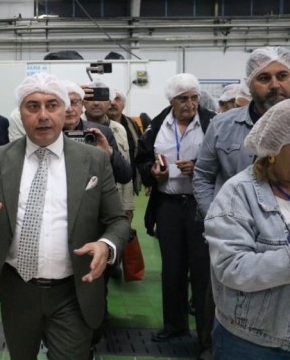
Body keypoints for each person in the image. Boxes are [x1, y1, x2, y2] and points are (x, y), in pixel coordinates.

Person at [0, 72, 131, 359]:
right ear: (21, 113)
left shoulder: (93, 159)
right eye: (33, 106)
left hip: (74, 288)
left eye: (52, 105)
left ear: (65, 110)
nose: (43, 115)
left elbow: (117, 220)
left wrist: (107, 245)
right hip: (17, 289)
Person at [192, 47, 290, 359]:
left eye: (283, 75)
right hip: (233, 231)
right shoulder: (223, 125)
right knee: (217, 297)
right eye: (264, 77)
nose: (275, 84)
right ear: (250, 84)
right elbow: (203, 175)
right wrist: (217, 217)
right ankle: (207, 345)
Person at [135, 73, 216, 357]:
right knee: (172, 268)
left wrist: (198, 167)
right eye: (183, 98)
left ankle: (206, 336)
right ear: (171, 100)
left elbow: (224, 161)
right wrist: (151, 172)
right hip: (168, 205)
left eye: (194, 98)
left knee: (203, 271)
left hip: (200, 207)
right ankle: (175, 325)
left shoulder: (213, 123)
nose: (190, 104)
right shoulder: (158, 125)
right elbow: (141, 160)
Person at [82, 81, 134, 210]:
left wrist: (127, 205)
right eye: (91, 98)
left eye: (101, 98)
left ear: (109, 102)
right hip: (81, 198)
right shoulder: (71, 126)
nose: (96, 103)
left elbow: (125, 164)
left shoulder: (119, 129)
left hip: (111, 198)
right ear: (83, 102)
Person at [108, 89, 144, 195]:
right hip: (107, 182)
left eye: (117, 99)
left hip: (128, 182)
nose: (113, 103)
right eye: (110, 99)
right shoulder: (96, 124)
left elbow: (141, 151)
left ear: (124, 105)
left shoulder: (132, 124)